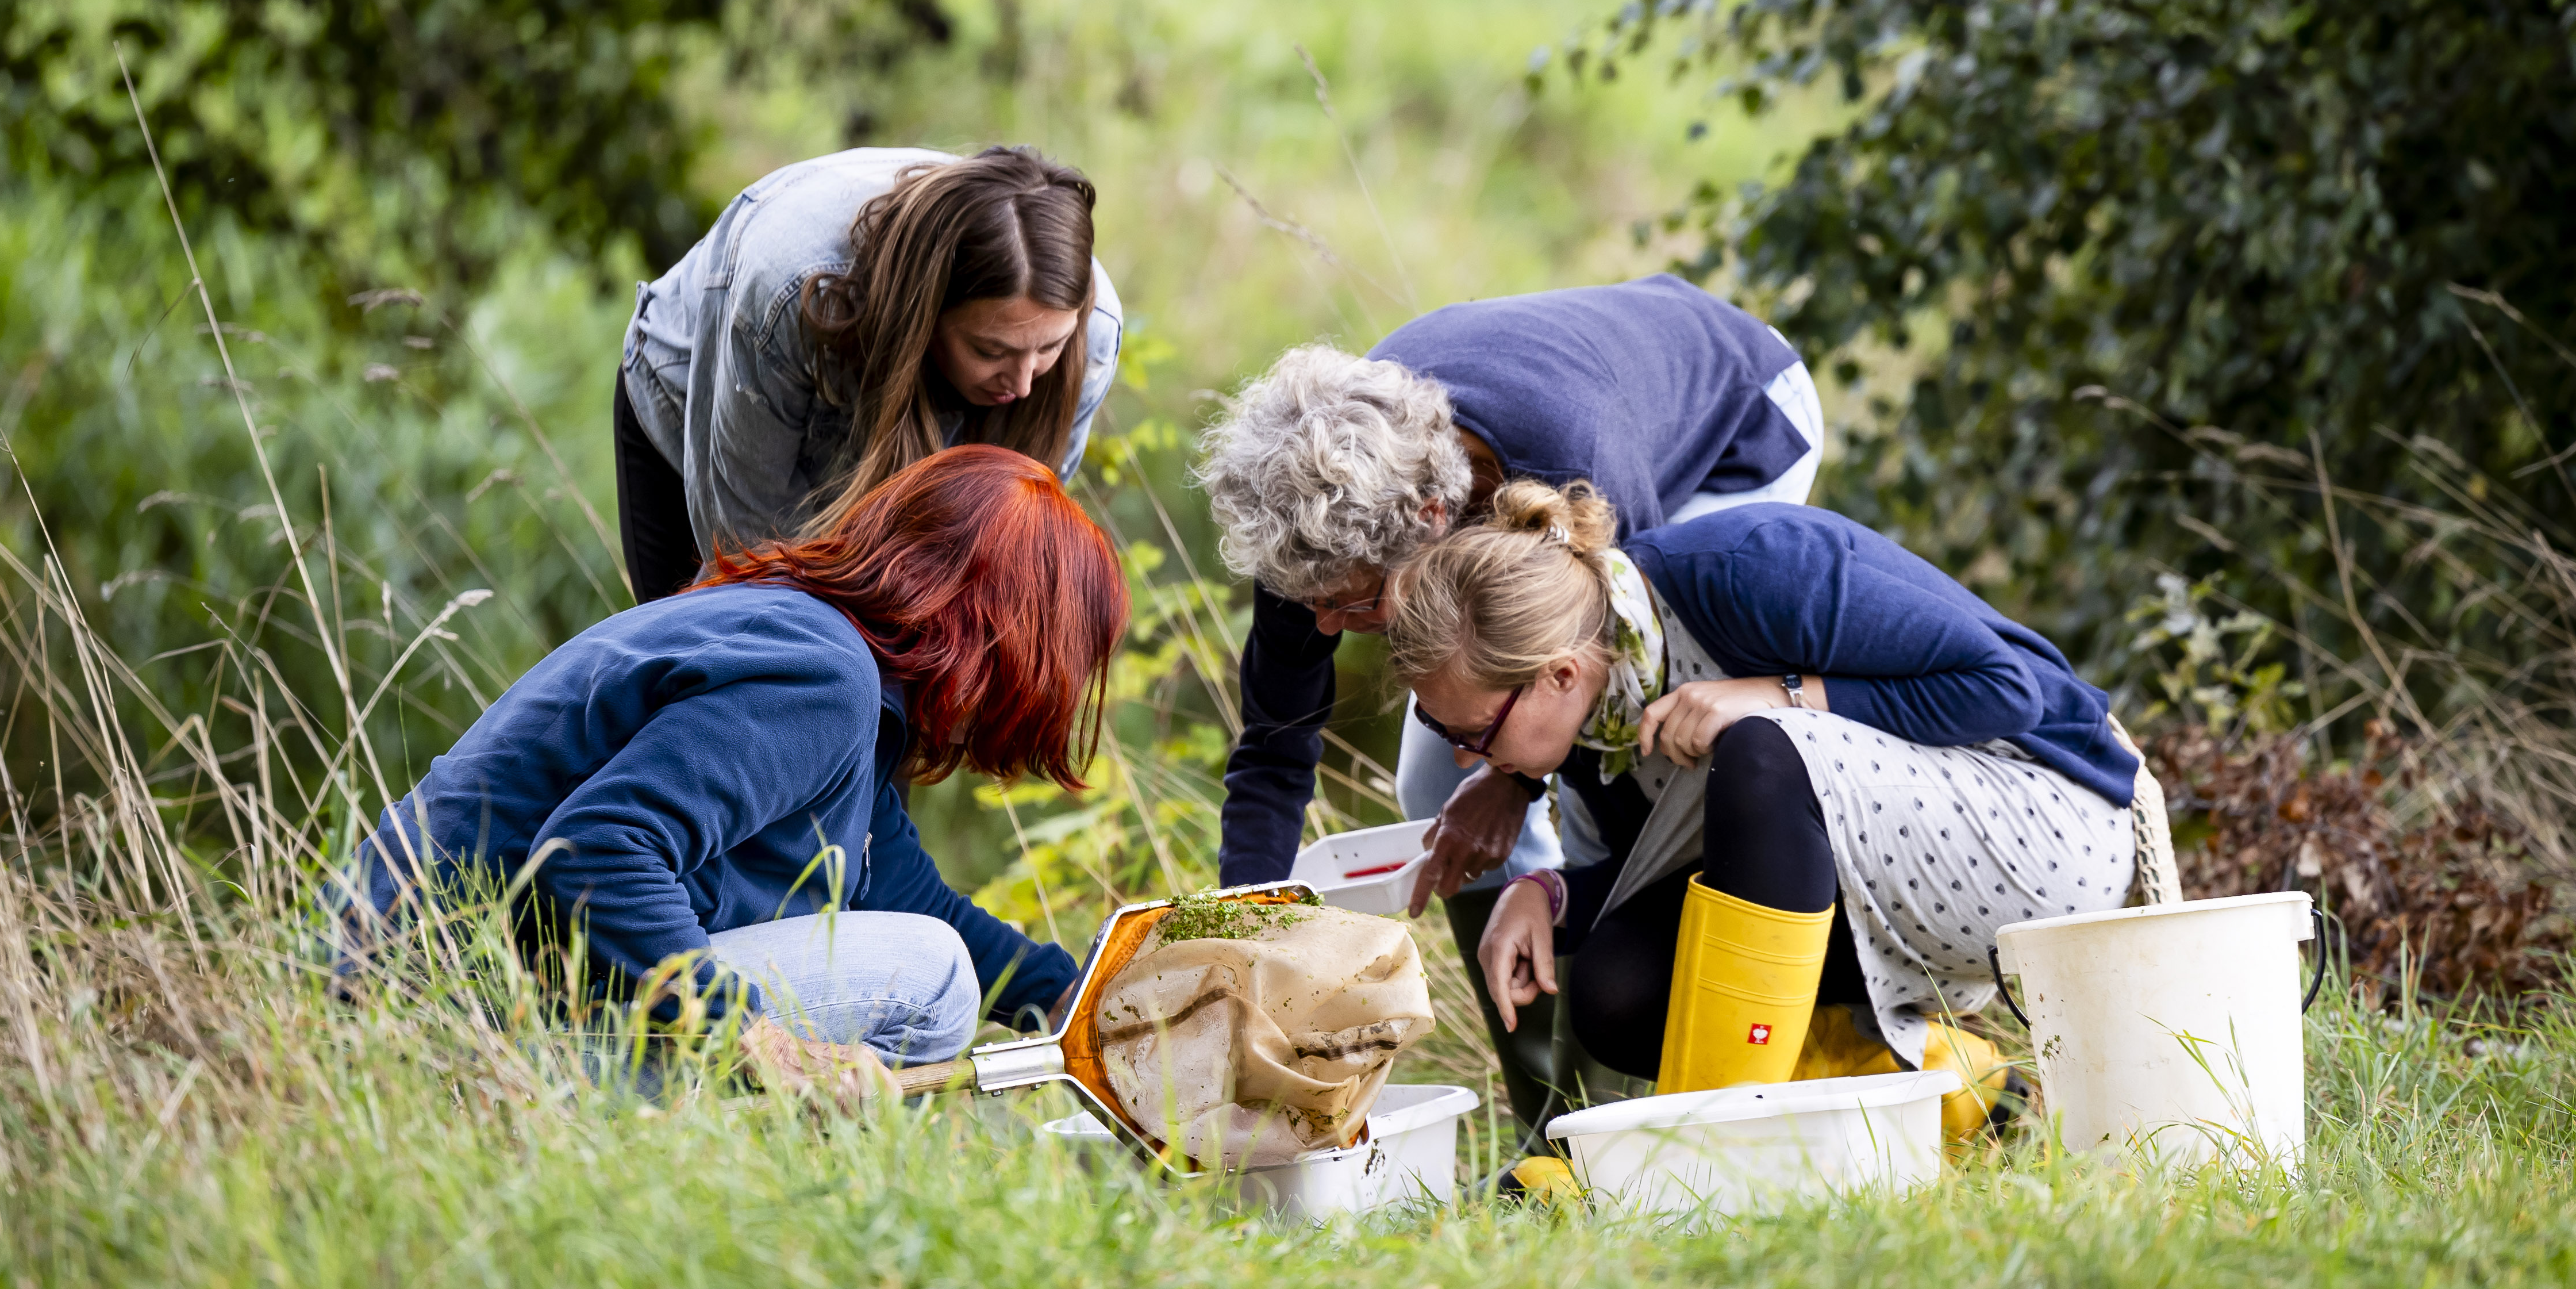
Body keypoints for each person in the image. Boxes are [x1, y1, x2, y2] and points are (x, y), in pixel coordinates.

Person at [1192, 275, 1826, 1133]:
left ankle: (1628, 1116)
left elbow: (1606, 682)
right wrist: (1249, 935)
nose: (1327, 627)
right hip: (1572, 412)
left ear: (1431, 525)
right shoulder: (1309, 534)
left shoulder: (1567, 461)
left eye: (1356, 607)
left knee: (1642, 757)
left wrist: (1513, 780)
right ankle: (1546, 1113)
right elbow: (1275, 746)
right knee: (1430, 784)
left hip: (1735, 426)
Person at [1382, 478, 2140, 1160]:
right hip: (1877, 890)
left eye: (1472, 734)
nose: (1462, 760)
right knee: (1618, 990)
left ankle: (1700, 1158)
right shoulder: (1592, 731)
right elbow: (1740, 867)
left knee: (1761, 748)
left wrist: (1783, 695)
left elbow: (2007, 688)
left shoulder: (1750, 567)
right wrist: (1551, 896)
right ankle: (1965, 1090)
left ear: (1560, 674)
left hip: (2045, 838)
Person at [343, 446, 1116, 1101]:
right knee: (934, 977)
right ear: (1007, 635)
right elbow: (594, 851)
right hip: (447, 1022)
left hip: (459, 987)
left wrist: (1071, 995)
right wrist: (755, 1036)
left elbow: (902, 893)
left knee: (931, 945)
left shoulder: (822, 655)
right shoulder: (822, 682)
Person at [614, 144, 1124, 603]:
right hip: (695, 405)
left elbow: (1001, 561)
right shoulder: (789, 295)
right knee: (718, 662)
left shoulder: (1093, 334)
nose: (1023, 383)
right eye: (991, 350)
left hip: (869, 406)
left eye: (1049, 347)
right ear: (929, 314)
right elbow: (746, 561)